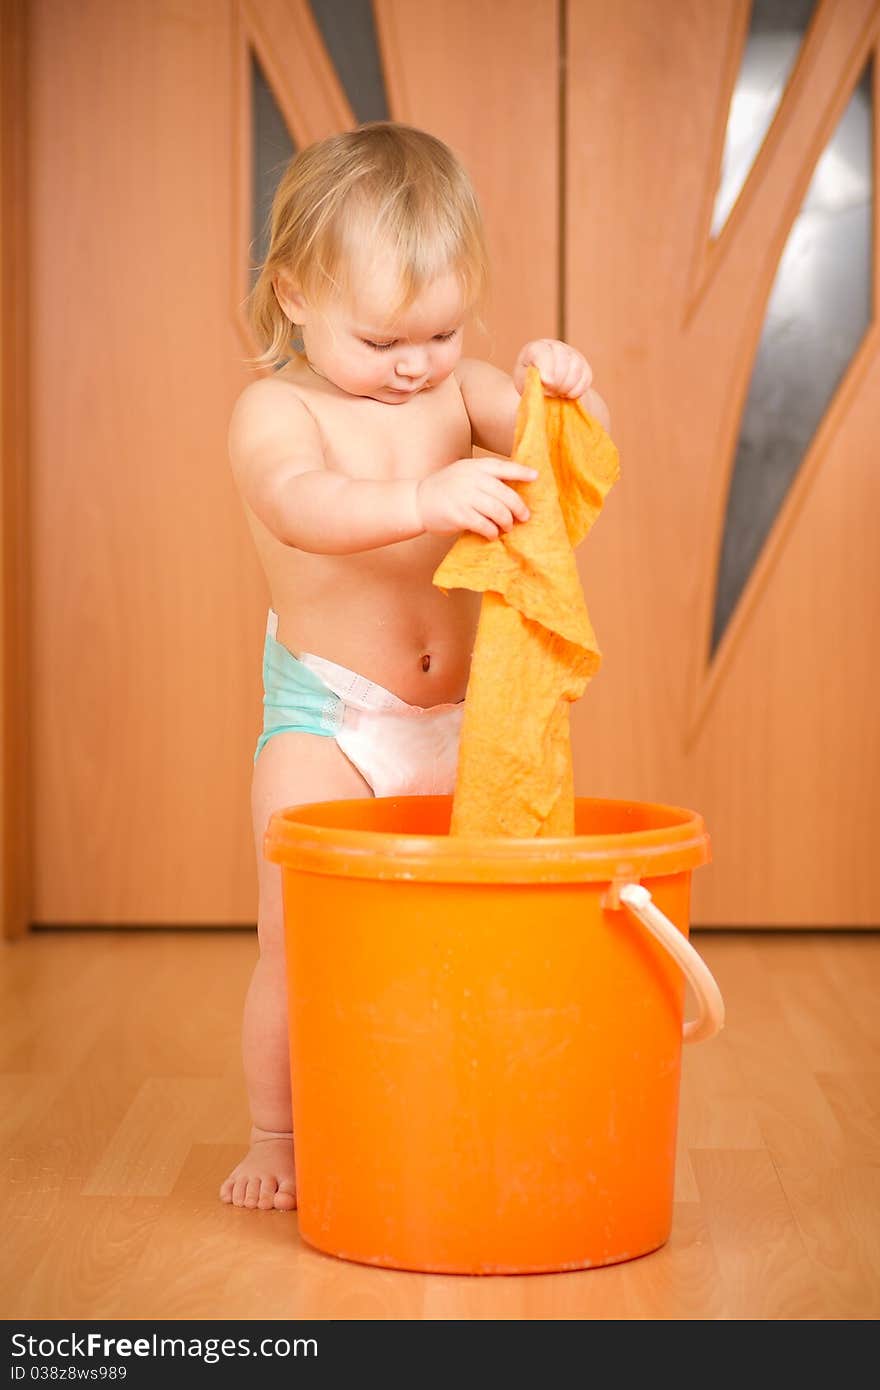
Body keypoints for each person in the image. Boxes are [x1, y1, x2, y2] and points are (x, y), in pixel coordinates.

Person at [220, 121, 610, 1211]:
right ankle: (277, 1134)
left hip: (459, 718)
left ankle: (456, 1097)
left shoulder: (460, 391)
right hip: (328, 721)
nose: (415, 364)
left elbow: (567, 452)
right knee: (295, 939)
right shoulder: (278, 410)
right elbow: (303, 507)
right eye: (384, 338)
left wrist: (561, 388)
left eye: (440, 331)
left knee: (467, 928)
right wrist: (422, 500)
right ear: (293, 294)